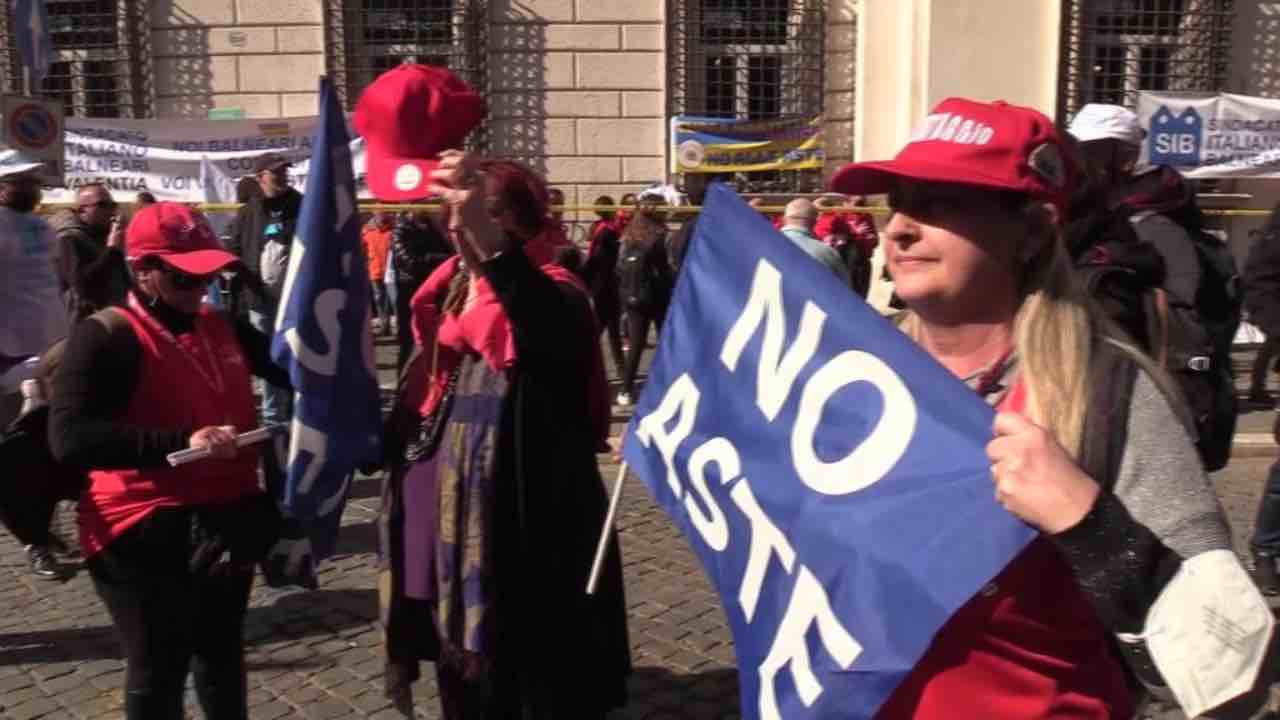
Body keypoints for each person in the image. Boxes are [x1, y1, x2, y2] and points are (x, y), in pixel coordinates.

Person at [829, 97, 1272, 719]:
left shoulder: (1104, 393)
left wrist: (1090, 524)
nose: (898, 229)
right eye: (899, 202)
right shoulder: (851, 376)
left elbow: (1236, 676)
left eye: (941, 204)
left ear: (1032, 231)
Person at [356, 62, 630, 719]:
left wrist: (483, 230)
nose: (456, 225)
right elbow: (427, 393)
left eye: (485, 214)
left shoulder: (554, 292)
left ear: (520, 222)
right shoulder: (450, 286)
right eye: (452, 214)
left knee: (517, 684)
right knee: (458, 675)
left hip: (521, 531)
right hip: (442, 517)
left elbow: (534, 318)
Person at [49, 202, 289, 719]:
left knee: (221, 650)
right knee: (160, 662)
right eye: (183, 277)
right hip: (140, 523)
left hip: (226, 514)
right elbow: (69, 438)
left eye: (207, 275)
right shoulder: (104, 335)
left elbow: (295, 370)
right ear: (142, 271)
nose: (199, 289)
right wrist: (182, 440)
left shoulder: (220, 324)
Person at [0, 161, 71, 579]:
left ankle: (44, 530)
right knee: (13, 456)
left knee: (49, 446)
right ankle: (33, 540)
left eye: (34, 181)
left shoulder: (44, 229)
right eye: (21, 181)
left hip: (51, 352)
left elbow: (57, 282)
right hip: (7, 357)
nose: (32, 187)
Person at [226, 152, 302, 426]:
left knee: (296, 355)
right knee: (268, 357)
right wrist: (245, 278)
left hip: (295, 301)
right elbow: (233, 249)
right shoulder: (248, 211)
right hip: (260, 301)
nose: (282, 176)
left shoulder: (301, 205)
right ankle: (273, 418)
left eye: (284, 171)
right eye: (276, 172)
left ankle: (298, 415)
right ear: (261, 178)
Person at [615, 206, 674, 406]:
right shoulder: (662, 236)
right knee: (666, 342)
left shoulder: (629, 235)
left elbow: (619, 267)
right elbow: (670, 266)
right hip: (658, 295)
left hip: (634, 297)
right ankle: (666, 387)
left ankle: (625, 390)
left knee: (636, 345)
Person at [50, 183, 130, 323]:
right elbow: (81, 285)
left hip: (116, 318)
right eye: (103, 204)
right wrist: (112, 251)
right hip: (87, 323)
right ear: (82, 210)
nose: (110, 210)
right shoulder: (69, 238)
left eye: (112, 205)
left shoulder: (106, 235)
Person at [390, 209, 453, 373]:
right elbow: (409, 262)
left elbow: (450, 253)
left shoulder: (433, 227)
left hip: (433, 295)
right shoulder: (401, 230)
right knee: (408, 342)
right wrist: (435, 259)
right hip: (409, 293)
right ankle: (403, 386)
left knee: (433, 342)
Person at [582, 195, 626, 373]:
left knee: (610, 328)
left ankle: (621, 367)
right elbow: (601, 260)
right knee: (604, 327)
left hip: (602, 284)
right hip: (605, 285)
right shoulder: (607, 232)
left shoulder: (599, 228)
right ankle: (619, 367)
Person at [779, 197, 851, 283]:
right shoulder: (827, 253)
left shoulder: (763, 247)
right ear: (815, 222)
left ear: (783, 219)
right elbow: (845, 289)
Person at [362, 212, 395, 335]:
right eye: (379, 218)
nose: (381, 220)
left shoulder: (392, 232)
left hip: (390, 273)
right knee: (380, 300)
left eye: (383, 218)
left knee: (392, 300)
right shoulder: (367, 233)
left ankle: (392, 326)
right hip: (375, 271)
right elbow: (362, 249)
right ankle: (384, 326)